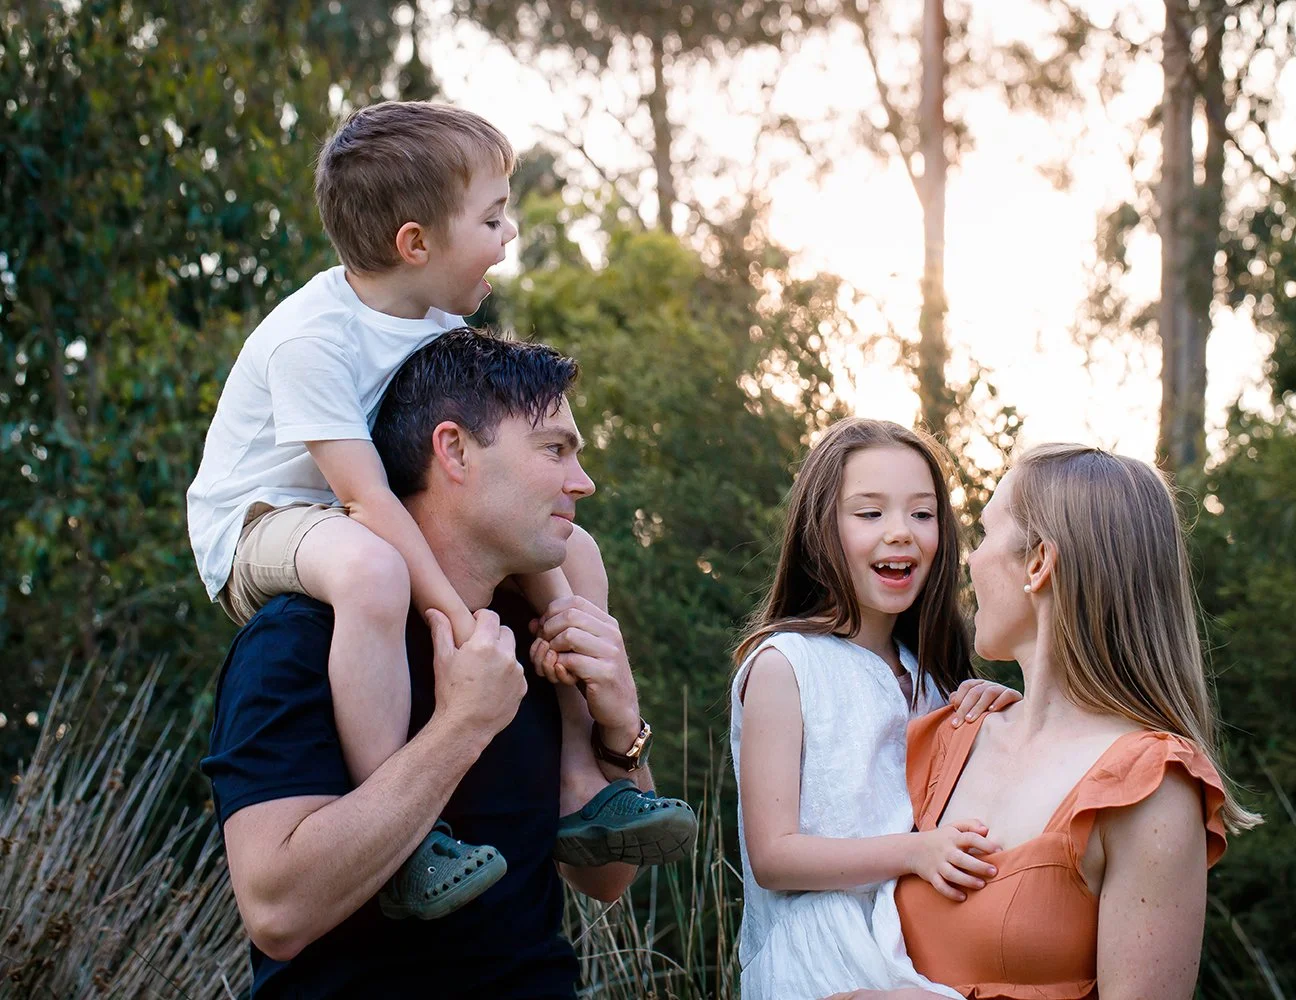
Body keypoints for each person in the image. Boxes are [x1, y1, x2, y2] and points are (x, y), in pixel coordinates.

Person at [186, 101, 688, 919]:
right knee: (372, 570)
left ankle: (581, 790)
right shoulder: (312, 340)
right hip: (261, 521)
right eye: (492, 218)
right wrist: (460, 623)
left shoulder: (438, 323)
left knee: (578, 556)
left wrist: (616, 719)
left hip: (354, 518)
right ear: (415, 244)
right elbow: (366, 496)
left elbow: (610, 890)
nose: (510, 233)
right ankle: (409, 836)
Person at [202, 329, 690, 997]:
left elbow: (606, 881)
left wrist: (620, 731)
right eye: (554, 450)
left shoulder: (540, 629)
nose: (584, 481)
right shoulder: (299, 640)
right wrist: (461, 727)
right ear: (454, 449)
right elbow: (278, 913)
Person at [833, 443, 1261, 1000]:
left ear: (1038, 564)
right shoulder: (946, 735)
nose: (969, 558)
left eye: (986, 534)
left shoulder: (1149, 786)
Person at [730, 418, 1021, 1000]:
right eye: (869, 514)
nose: (901, 534)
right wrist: (916, 852)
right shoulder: (784, 665)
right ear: (820, 530)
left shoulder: (932, 677)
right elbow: (774, 856)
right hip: (817, 959)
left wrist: (1003, 719)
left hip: (916, 947)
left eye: (922, 513)